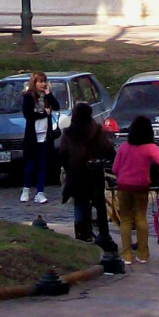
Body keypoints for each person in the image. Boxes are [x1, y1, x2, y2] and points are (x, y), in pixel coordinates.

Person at [112, 115, 159, 264]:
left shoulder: (124, 147)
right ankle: (142, 254)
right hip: (141, 187)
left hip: (123, 187)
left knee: (125, 220)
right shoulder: (150, 147)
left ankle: (127, 255)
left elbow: (114, 168)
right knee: (141, 219)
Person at [57, 101, 115, 243]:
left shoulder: (68, 133)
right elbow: (107, 149)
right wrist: (113, 161)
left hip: (76, 173)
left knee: (79, 204)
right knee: (99, 204)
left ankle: (81, 235)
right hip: (94, 173)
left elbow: (62, 154)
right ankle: (103, 235)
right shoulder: (96, 131)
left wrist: (68, 167)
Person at [20, 71, 59, 204]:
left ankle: (40, 192)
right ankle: (26, 189)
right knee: (31, 163)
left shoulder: (47, 97)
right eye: (40, 81)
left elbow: (57, 106)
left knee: (43, 164)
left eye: (44, 81)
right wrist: (44, 114)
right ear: (34, 83)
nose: (43, 84)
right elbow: (28, 115)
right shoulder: (28, 97)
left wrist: (49, 94)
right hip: (33, 136)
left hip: (45, 136)